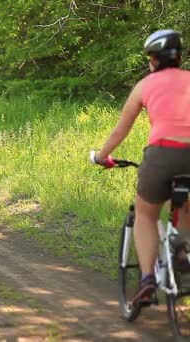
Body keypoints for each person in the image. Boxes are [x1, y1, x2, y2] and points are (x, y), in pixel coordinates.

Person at [92, 29, 190, 306]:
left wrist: (102, 155)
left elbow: (121, 129)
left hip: (161, 155)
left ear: (154, 60)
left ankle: (147, 279)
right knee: (183, 202)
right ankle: (182, 254)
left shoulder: (145, 85)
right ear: (178, 57)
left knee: (146, 215)